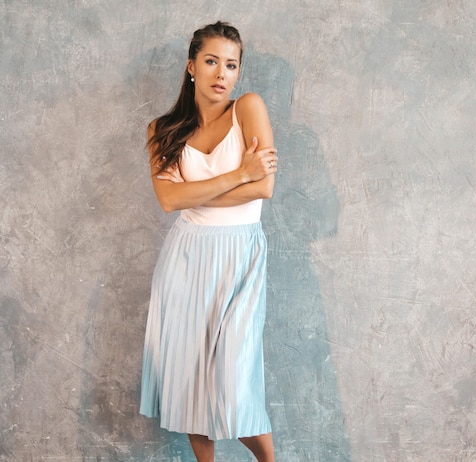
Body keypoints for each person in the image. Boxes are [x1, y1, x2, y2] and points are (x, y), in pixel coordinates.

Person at [139, 21, 277, 462]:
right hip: (185, 259)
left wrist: (200, 192)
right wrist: (239, 174)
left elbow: (264, 190)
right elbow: (168, 200)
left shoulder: (248, 108)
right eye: (212, 61)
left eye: (231, 64)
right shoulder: (162, 129)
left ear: (239, 73)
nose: (222, 73)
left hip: (240, 257)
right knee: (192, 382)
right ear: (191, 67)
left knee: (234, 384)